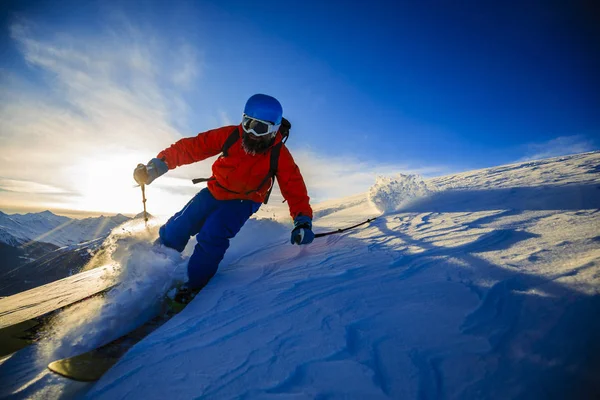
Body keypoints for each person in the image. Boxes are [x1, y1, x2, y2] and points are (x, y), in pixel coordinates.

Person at [133, 94, 314, 305]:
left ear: (273, 130)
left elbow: (294, 188)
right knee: (180, 224)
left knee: (213, 234)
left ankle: (192, 285)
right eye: (248, 124)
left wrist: (302, 220)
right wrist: (159, 165)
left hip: (243, 201)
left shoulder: (280, 155)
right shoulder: (232, 135)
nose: (252, 133)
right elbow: (193, 147)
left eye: (260, 128)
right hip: (215, 190)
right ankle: (153, 264)